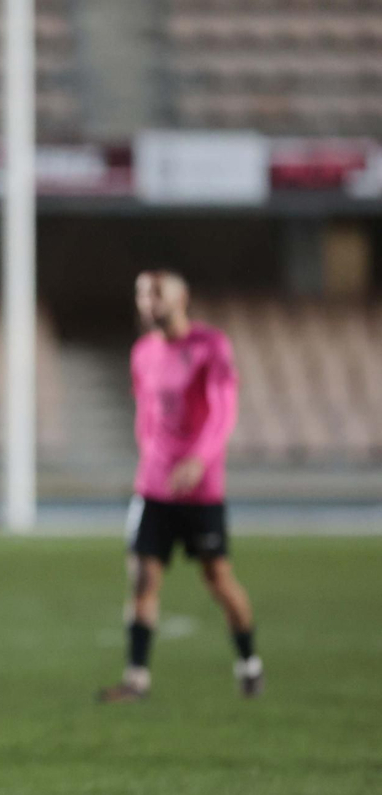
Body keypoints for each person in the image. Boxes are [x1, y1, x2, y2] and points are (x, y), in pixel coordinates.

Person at [101, 270, 261, 702]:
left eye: (157, 292)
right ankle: (137, 678)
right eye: (141, 293)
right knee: (142, 577)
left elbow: (224, 411)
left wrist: (199, 460)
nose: (148, 301)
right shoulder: (142, 352)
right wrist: (149, 462)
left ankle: (249, 663)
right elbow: (147, 416)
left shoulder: (211, 346)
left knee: (218, 578)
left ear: (182, 297)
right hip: (153, 487)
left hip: (201, 489)